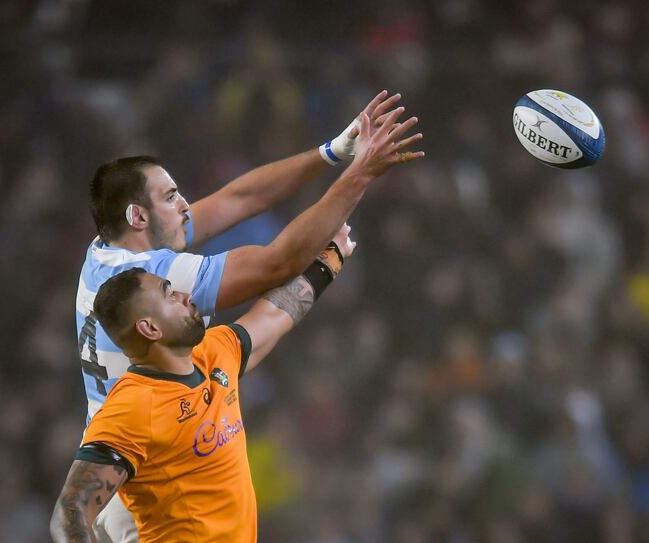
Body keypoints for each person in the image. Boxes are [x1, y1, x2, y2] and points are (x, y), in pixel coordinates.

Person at [75, 90, 423, 540]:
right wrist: (361, 174)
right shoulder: (156, 276)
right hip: (157, 486)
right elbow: (277, 263)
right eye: (171, 196)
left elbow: (239, 198)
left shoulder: (108, 251)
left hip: (132, 466)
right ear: (138, 216)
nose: (185, 205)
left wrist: (333, 152)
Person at [52, 222, 356, 542]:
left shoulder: (215, 351)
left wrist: (332, 257)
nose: (185, 296)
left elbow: (276, 315)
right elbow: (70, 511)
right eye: (169, 295)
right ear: (150, 328)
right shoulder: (133, 407)